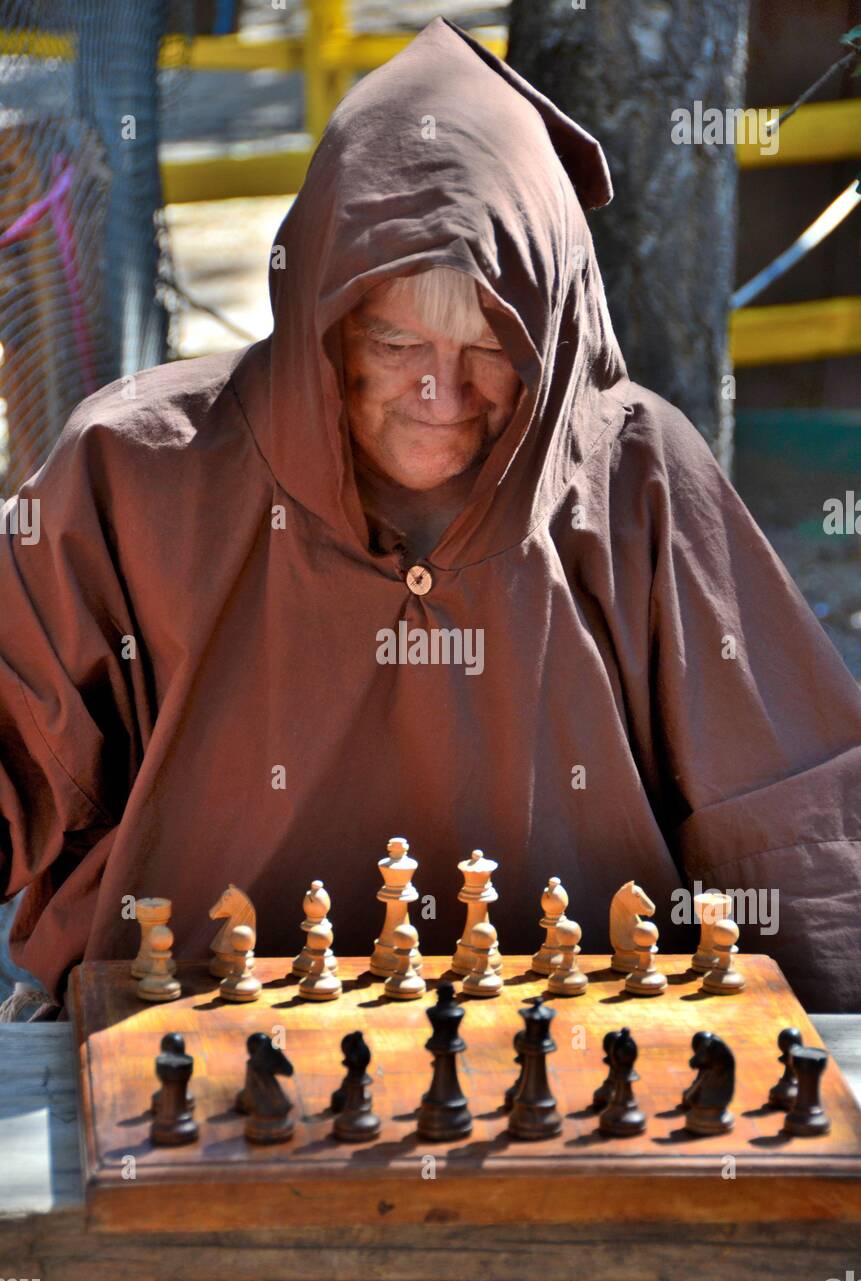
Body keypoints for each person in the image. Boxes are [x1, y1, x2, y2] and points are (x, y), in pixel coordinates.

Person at [1, 17, 859, 1025]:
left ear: (553, 328)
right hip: (191, 1037)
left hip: (574, 1050)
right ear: (323, 317)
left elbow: (787, 811)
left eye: (490, 347)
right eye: (395, 339)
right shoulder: (137, 468)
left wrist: (826, 1065)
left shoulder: (633, 474)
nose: (440, 392)